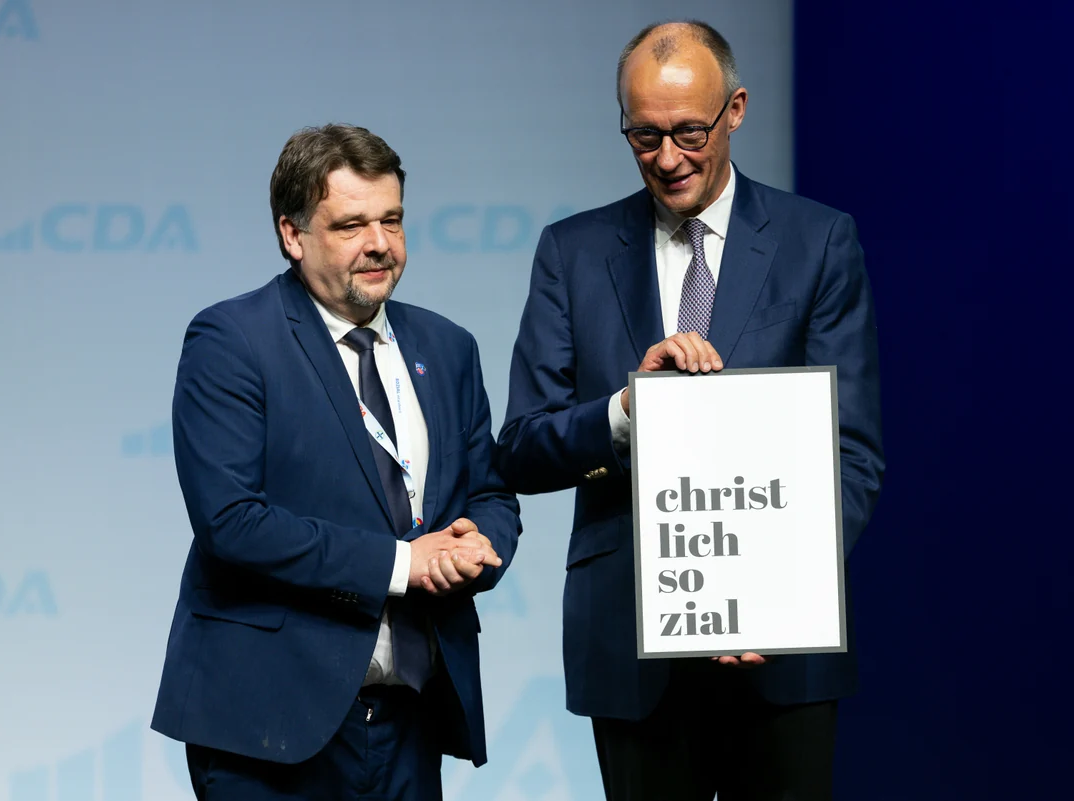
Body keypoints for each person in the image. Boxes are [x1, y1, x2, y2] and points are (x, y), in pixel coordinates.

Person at [496, 20, 884, 801]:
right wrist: (623, 411)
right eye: (644, 136)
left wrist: (772, 595)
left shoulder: (818, 242)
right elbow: (522, 449)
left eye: (688, 133)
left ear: (735, 110)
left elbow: (852, 454)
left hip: (781, 658)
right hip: (630, 647)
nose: (667, 158)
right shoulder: (572, 252)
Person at [150, 123, 521, 801]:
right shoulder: (232, 340)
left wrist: (479, 545)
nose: (379, 243)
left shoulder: (449, 347)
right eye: (351, 225)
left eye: (392, 220)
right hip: (269, 724)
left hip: (411, 718)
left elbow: (490, 492)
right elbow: (232, 522)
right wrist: (406, 564)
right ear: (292, 235)